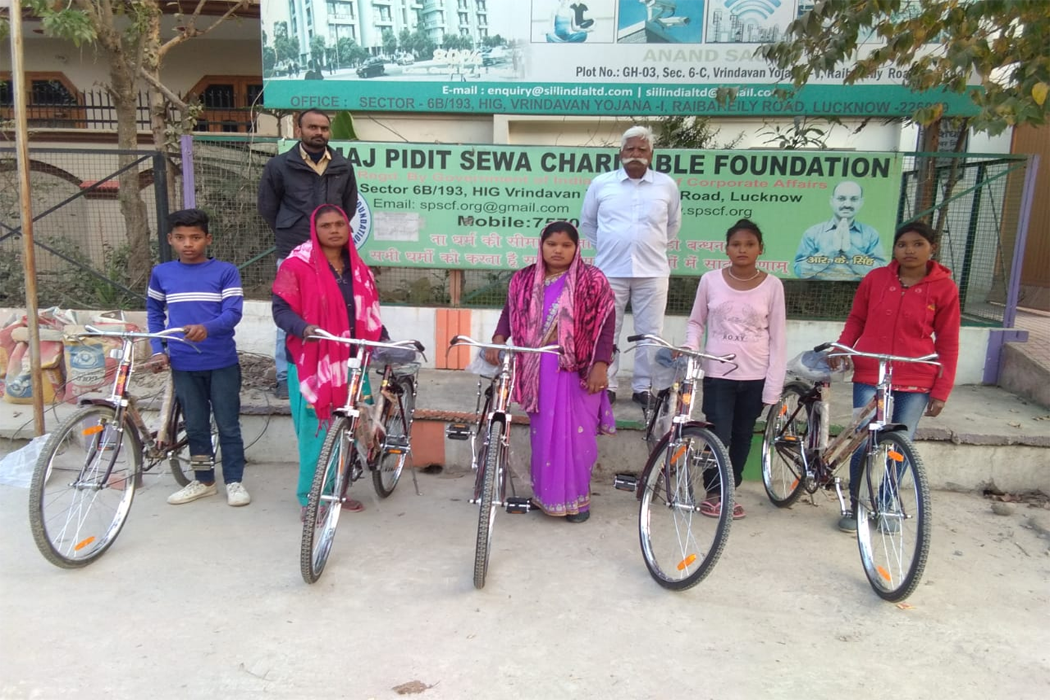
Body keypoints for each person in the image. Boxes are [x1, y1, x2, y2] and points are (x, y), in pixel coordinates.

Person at [485, 221, 616, 523]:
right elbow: (509, 312)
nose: (558, 250)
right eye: (552, 244)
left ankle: (578, 502)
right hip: (538, 368)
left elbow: (607, 323)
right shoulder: (524, 279)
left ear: (576, 248)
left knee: (578, 439)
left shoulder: (593, 280)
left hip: (579, 370)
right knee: (544, 436)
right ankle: (545, 497)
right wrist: (498, 339)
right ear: (541, 245)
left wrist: (600, 364)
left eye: (566, 245)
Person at [833, 221, 960, 532]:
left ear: (932, 248)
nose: (909, 250)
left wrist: (941, 390)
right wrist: (842, 347)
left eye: (918, 244)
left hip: (917, 377)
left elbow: (948, 342)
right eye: (902, 244)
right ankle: (857, 505)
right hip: (870, 372)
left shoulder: (944, 288)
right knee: (863, 439)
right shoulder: (876, 279)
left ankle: (887, 505)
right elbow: (857, 319)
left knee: (900, 444)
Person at [272, 204, 384, 520]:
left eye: (339, 224)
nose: (334, 230)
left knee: (350, 428)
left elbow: (367, 311)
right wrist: (302, 328)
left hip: (352, 360)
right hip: (312, 361)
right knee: (315, 432)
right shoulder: (297, 265)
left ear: (348, 228)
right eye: (326, 225)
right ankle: (312, 498)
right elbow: (281, 310)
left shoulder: (358, 268)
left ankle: (337, 491)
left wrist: (383, 338)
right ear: (315, 229)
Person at [683, 219, 786, 520]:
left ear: (760, 249)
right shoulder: (710, 280)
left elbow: (778, 337)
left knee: (742, 436)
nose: (742, 250)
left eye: (749, 244)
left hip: (755, 375)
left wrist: (773, 386)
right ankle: (713, 492)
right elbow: (696, 322)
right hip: (718, 373)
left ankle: (730, 491)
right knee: (718, 434)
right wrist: (691, 346)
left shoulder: (773, 285)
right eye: (736, 244)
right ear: (726, 249)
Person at [146, 208, 249, 507]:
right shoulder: (161, 273)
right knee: (195, 425)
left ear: (208, 239)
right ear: (170, 239)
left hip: (222, 361)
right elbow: (154, 313)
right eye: (180, 238)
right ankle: (204, 481)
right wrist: (157, 350)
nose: (188, 244)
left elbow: (233, 312)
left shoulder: (226, 271)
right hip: (183, 363)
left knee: (228, 424)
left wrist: (207, 328)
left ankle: (234, 481)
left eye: (195, 237)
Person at [258, 109, 359, 400]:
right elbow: (268, 208)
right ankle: (285, 377)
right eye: (312, 127)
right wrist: (293, 231)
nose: (319, 133)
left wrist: (328, 236)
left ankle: (332, 372)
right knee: (289, 313)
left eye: (324, 128)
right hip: (293, 251)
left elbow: (348, 207)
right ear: (299, 130)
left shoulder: (342, 166)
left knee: (337, 311)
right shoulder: (279, 166)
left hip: (332, 254)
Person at [580, 124, 682, 407]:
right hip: (610, 271)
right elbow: (588, 223)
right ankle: (608, 384)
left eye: (642, 149)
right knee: (606, 329)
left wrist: (647, 245)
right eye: (630, 148)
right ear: (620, 152)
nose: (635, 154)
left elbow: (673, 225)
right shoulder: (602, 183)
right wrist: (611, 245)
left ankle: (643, 387)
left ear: (651, 154)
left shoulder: (666, 185)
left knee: (651, 333)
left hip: (653, 271)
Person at [793, 180, 888, 280]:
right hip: (817, 288)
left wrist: (849, 250)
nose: (847, 204)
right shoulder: (813, 233)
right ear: (832, 201)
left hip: (858, 288)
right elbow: (800, 271)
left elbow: (880, 273)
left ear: (861, 202)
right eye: (841, 198)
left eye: (854, 199)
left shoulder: (871, 234)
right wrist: (831, 249)